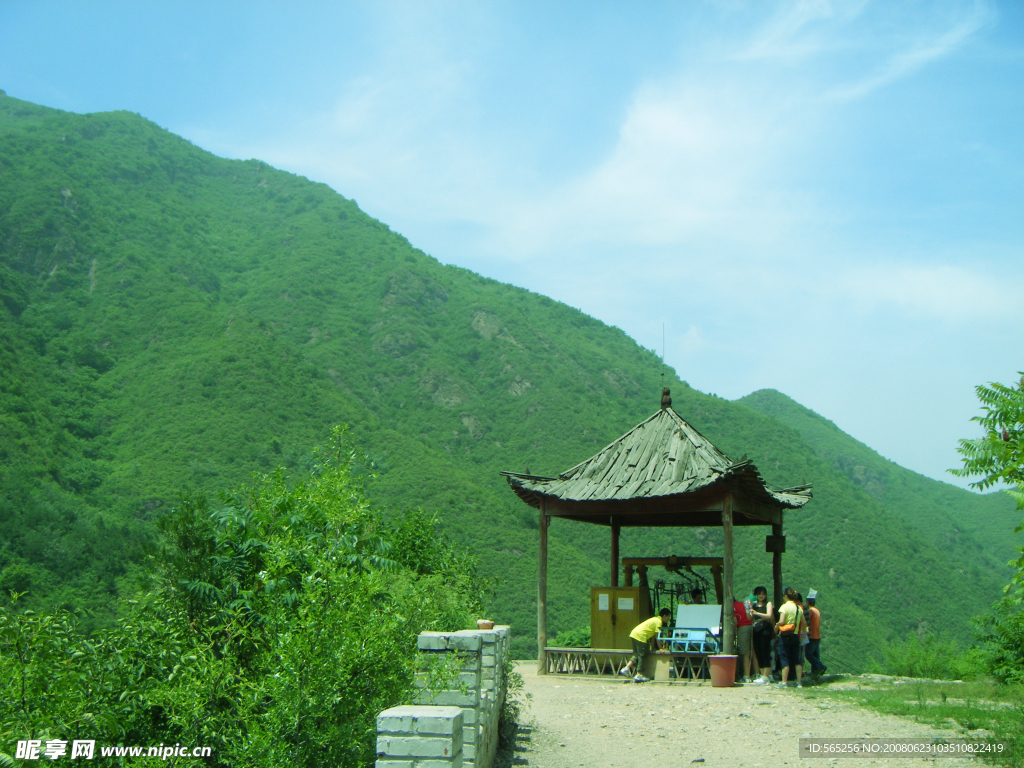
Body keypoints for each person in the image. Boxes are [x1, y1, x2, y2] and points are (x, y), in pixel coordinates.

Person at [619, 608, 672, 682]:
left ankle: (626, 668)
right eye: (668, 617)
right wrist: (661, 648)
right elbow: (657, 637)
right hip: (641, 636)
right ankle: (639, 675)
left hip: (634, 634)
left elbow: (653, 636)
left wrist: (652, 647)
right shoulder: (659, 621)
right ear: (664, 615)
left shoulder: (655, 620)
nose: (668, 619)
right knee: (642, 655)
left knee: (636, 655)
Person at [775, 588, 806, 688]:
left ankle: (784, 682)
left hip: (784, 636)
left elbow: (782, 621)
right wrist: (803, 633)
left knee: (785, 659)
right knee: (796, 660)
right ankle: (799, 682)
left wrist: (776, 626)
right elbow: (804, 624)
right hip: (795, 635)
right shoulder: (799, 608)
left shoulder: (784, 607)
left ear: (786, 596)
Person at [748, 586, 774, 684]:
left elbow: (769, 616)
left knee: (765, 652)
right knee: (758, 652)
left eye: (763, 594)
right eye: (759, 594)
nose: (761, 596)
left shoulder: (768, 604)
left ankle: (766, 675)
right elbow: (750, 618)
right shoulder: (754, 605)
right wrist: (749, 610)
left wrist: (757, 613)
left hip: (765, 630)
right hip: (756, 629)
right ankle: (762, 674)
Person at [732, 594, 755, 682]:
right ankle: (755, 673)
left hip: (742, 628)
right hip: (751, 626)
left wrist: (733, 633)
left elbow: (734, 621)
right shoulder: (742, 603)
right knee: (752, 652)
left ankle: (746, 676)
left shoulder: (732, 607)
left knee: (745, 653)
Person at [805, 589, 827, 677]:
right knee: (815, 654)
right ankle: (815, 672)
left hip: (812, 636)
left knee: (808, 654)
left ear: (808, 602)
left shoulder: (810, 611)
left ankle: (821, 667)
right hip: (818, 636)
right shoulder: (817, 610)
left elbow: (806, 621)